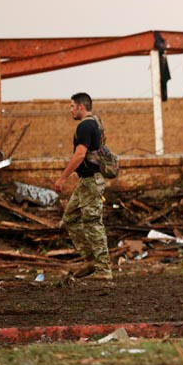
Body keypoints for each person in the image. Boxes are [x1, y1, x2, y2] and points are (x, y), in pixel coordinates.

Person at [54, 93, 113, 280]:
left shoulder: (85, 126)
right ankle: (91, 260)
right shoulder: (96, 123)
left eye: (72, 106)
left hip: (91, 182)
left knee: (93, 222)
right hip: (86, 182)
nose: (70, 110)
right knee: (70, 218)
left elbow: (80, 154)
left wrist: (62, 178)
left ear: (81, 107)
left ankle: (104, 269)